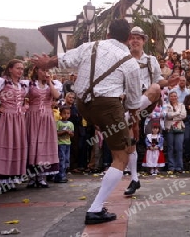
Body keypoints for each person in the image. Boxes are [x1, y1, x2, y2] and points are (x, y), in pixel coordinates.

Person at [31, 19, 142, 225]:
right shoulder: (130, 62)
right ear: (128, 38)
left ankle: (105, 130)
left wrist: (47, 63)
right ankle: (95, 208)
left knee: (110, 128)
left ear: (108, 34)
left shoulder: (92, 46)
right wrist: (133, 123)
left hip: (82, 105)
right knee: (121, 157)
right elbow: (134, 99)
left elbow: (64, 59)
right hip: (107, 106)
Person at [125, 26, 179, 196]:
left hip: (145, 102)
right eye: (132, 37)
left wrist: (169, 82)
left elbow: (158, 81)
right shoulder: (124, 59)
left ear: (144, 41)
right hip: (127, 101)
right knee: (130, 141)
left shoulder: (151, 60)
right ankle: (134, 179)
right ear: (128, 40)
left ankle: (126, 117)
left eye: (138, 38)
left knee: (156, 87)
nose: (135, 40)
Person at [0, 59, 28, 190]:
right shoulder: (1, 82)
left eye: (22, 69)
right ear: (10, 69)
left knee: (16, 146)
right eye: (18, 68)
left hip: (18, 119)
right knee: (3, 146)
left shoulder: (23, 84)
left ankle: (11, 177)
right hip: (5, 118)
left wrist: (25, 107)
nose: (20, 71)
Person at [26, 66, 61, 188]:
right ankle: (31, 177)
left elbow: (56, 95)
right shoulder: (29, 84)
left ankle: (41, 177)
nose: (45, 73)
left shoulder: (52, 84)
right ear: (36, 71)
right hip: (33, 115)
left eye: (47, 70)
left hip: (46, 116)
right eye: (42, 70)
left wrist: (49, 81)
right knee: (32, 144)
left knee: (44, 145)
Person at [164, 90, 187, 174]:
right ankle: (171, 167)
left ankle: (179, 167)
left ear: (177, 97)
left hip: (179, 128)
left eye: (175, 96)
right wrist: (177, 113)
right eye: (171, 96)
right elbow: (167, 115)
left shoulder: (181, 105)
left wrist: (173, 117)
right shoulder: (166, 106)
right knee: (170, 148)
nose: (173, 97)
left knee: (179, 148)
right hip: (170, 128)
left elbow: (183, 115)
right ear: (169, 97)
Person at [54, 106, 74, 183]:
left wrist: (70, 133)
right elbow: (56, 133)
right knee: (61, 159)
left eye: (68, 113)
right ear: (61, 114)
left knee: (66, 160)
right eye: (64, 113)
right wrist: (64, 132)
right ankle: (59, 176)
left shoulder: (71, 124)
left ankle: (63, 175)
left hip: (68, 144)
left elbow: (72, 135)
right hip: (60, 144)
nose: (66, 115)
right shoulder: (58, 123)